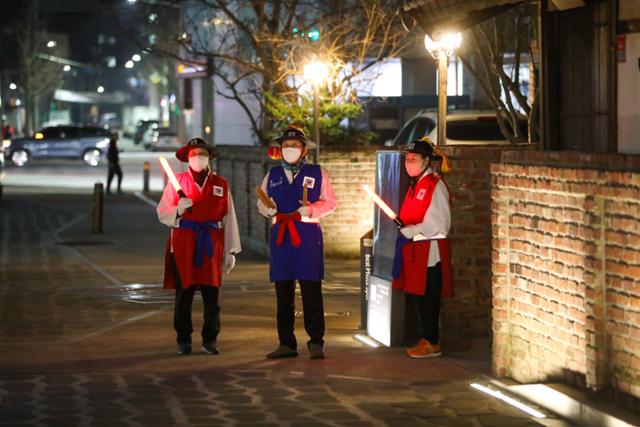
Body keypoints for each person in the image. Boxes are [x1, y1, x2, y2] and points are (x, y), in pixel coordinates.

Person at [257, 126, 337, 359]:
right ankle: (286, 343)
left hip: (307, 235)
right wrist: (268, 210)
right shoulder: (272, 175)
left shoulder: (317, 172)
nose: (289, 149)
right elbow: (261, 202)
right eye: (285, 146)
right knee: (283, 291)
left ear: (303, 150)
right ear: (280, 149)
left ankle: (316, 341)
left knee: (311, 288)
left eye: (294, 146)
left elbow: (330, 202)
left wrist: (311, 209)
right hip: (281, 234)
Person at [156, 137, 241, 355]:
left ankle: (210, 339)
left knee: (212, 296)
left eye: (202, 154)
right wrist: (178, 210)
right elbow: (162, 212)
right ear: (187, 158)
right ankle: (183, 338)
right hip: (183, 243)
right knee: (184, 294)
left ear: (209, 157)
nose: (198, 158)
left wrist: (231, 250)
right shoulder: (177, 182)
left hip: (211, 243)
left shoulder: (220, 185)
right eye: (194, 154)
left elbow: (229, 217)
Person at [392, 136, 453, 359]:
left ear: (426, 160)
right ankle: (427, 339)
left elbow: (440, 224)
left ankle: (432, 341)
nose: (409, 162)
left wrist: (414, 230)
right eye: (407, 159)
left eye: (414, 158)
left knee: (428, 297)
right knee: (418, 296)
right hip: (414, 250)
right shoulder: (415, 185)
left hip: (429, 252)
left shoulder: (435, 186)